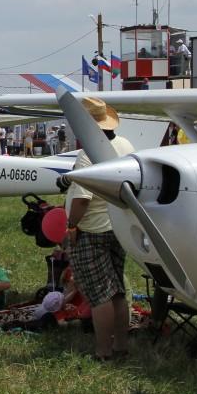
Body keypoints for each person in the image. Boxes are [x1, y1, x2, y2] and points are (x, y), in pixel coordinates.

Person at [63, 97, 136, 360]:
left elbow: (82, 198)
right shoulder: (126, 145)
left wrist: (72, 225)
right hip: (118, 227)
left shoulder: (87, 157)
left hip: (92, 230)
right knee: (117, 290)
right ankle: (121, 346)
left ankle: (103, 351)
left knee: (99, 294)